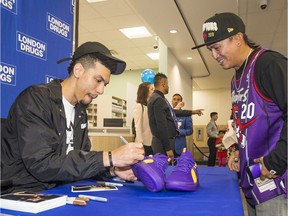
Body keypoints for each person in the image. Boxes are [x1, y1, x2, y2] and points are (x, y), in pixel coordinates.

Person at [1, 41, 145, 194]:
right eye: (98, 80)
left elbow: (79, 164)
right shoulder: (36, 100)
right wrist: (109, 157)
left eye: (105, 84)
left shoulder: (80, 113)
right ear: (78, 70)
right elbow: (42, 164)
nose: (101, 90)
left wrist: (112, 170)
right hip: (22, 195)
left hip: (58, 192)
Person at [192, 12, 287, 216]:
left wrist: (274, 161)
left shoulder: (268, 64)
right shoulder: (236, 79)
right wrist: (239, 152)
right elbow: (249, 124)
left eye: (217, 48)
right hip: (253, 182)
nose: (214, 56)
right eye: (210, 50)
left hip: (277, 184)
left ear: (237, 38)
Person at [133, 82, 154, 156]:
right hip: (143, 144)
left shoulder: (149, 106)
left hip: (151, 143)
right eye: (151, 89)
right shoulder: (139, 106)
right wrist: (140, 144)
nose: (153, 91)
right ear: (146, 92)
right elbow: (138, 127)